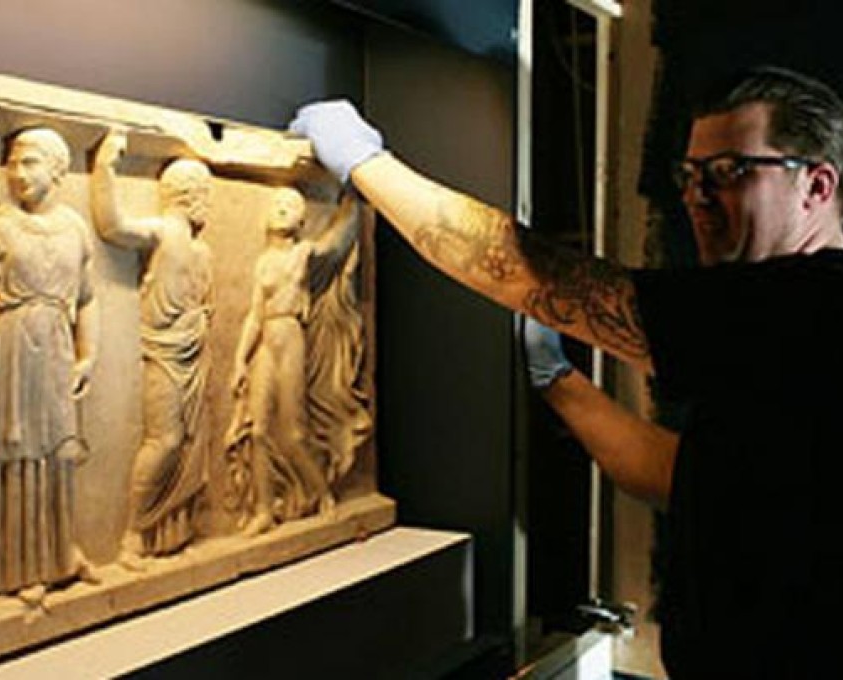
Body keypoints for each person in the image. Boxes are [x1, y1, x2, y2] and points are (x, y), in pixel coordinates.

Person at [289, 66, 843, 677]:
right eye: (688, 175)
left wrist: (368, 164)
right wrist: (556, 379)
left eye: (728, 172)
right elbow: (679, 474)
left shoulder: (810, 301)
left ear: (816, 186)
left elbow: (514, 266)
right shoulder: (780, 333)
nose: (696, 197)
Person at [0, 128, 101, 606]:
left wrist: (88, 354)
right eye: (12, 163)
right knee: (20, 455)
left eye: (29, 162)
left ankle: (63, 553)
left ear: (57, 169)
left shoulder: (74, 226)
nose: (17, 173)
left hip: (56, 345)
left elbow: (88, 299)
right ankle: (22, 566)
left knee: (59, 453)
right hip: (11, 345)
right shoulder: (1, 223)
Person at [91, 132, 214, 565]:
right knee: (164, 440)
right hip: (163, 350)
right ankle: (132, 533)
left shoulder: (201, 249)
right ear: (184, 194)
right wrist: (105, 166)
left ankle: (169, 530)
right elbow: (113, 225)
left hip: (193, 353)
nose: (207, 203)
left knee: (185, 442)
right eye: (203, 193)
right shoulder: (164, 231)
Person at [224, 187, 364, 536]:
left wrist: (352, 206)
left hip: (290, 336)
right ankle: (263, 511)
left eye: (290, 206)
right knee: (256, 431)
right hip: (266, 340)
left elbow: (334, 247)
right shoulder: (263, 262)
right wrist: (240, 360)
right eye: (277, 204)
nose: (281, 210)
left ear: (302, 221)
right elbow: (254, 315)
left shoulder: (303, 253)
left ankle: (323, 494)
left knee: (294, 434)